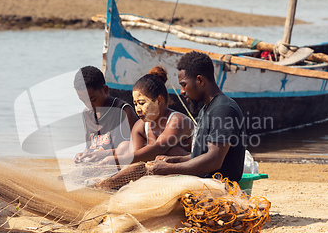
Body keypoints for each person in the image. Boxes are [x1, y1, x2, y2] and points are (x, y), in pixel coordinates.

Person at [147, 51, 246, 183]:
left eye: (183, 85)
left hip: (219, 189)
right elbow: (200, 156)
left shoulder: (223, 109)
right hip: (203, 184)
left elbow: (214, 160)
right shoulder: (206, 110)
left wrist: (169, 169)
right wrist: (172, 160)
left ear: (199, 80)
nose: (182, 91)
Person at [98, 66, 194, 167]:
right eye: (135, 104)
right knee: (124, 146)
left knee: (170, 151)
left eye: (142, 103)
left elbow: (159, 148)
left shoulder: (177, 120)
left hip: (188, 165)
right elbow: (136, 160)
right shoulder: (140, 126)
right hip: (158, 165)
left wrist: (119, 160)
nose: (138, 109)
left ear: (159, 101)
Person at [73, 66, 138, 163]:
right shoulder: (87, 113)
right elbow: (90, 147)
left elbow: (139, 147)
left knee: (125, 145)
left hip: (116, 164)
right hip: (96, 166)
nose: (89, 105)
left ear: (105, 90)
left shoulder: (123, 111)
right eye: (83, 101)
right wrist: (83, 154)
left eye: (93, 100)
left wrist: (106, 153)